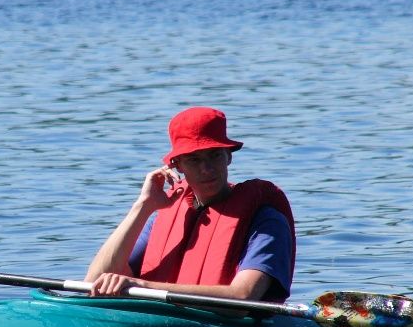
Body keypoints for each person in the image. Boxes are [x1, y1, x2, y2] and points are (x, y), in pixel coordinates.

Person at [84, 106, 295, 306]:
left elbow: (244, 296)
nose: (206, 168)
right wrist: (143, 206)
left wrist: (143, 286)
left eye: (214, 155)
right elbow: (93, 282)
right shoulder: (163, 219)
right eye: (194, 159)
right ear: (177, 165)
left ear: (228, 156)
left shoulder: (266, 220)